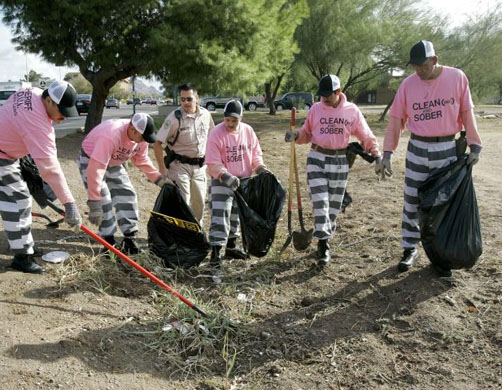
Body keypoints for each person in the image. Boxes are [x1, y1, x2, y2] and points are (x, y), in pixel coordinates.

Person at [376, 40, 482, 277]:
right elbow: (396, 120)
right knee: (412, 200)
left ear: (435, 60)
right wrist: (387, 154)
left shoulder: (456, 78)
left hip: (446, 149)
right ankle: (409, 248)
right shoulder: (407, 85)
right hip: (417, 149)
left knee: (442, 204)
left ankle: (442, 256)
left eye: (422, 66)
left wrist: (475, 145)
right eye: (414, 67)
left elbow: (466, 111)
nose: (419, 71)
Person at [0, 80, 82, 274]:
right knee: (18, 201)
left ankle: (23, 244)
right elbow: (50, 169)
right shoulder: (39, 124)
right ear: (49, 100)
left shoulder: (31, 91)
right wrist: (69, 203)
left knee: (20, 198)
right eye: (62, 112)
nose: (63, 118)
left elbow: (12, 115)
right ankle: (21, 257)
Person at [285, 74, 381, 266]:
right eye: (322, 95)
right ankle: (323, 245)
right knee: (320, 203)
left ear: (338, 92)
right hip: (317, 158)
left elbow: (365, 134)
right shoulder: (316, 109)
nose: (324, 99)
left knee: (333, 207)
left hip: (339, 161)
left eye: (328, 95)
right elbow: (307, 133)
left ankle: (324, 237)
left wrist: (377, 154)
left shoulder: (351, 111)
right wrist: (296, 135)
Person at [78, 113, 170, 256]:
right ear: (132, 129)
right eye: (142, 138)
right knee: (104, 200)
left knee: (127, 193)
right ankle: (108, 242)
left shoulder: (141, 136)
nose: (144, 141)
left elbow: (141, 159)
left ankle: (129, 237)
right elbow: (96, 169)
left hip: (114, 162)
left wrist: (159, 179)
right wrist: (94, 200)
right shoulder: (111, 135)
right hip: (91, 159)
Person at [205, 100, 269, 276]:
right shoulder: (216, 133)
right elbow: (212, 162)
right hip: (221, 179)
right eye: (227, 120)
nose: (230, 124)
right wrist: (225, 176)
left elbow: (255, 153)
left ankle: (231, 247)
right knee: (221, 214)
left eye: (234, 120)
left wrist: (260, 167)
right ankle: (216, 253)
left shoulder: (248, 131)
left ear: (241, 118)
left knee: (237, 215)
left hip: (243, 180)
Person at [153, 83, 214, 226]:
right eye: (182, 99)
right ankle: (180, 236)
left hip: (200, 167)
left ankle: (196, 233)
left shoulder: (205, 115)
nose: (186, 103)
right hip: (179, 167)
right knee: (183, 202)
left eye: (189, 99)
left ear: (197, 98)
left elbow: (213, 138)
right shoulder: (174, 118)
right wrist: (162, 169)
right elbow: (157, 144)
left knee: (199, 204)